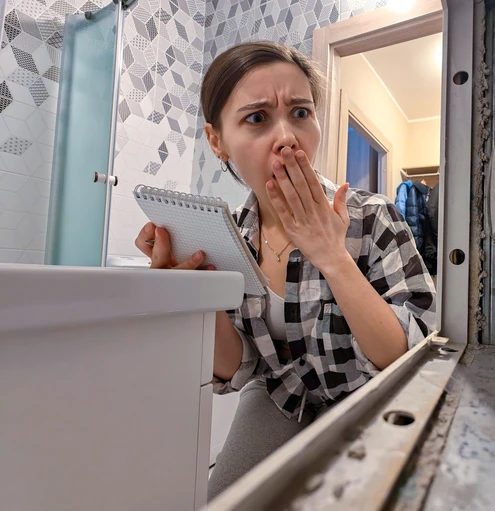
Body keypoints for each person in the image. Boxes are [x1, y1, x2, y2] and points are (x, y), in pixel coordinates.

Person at [133, 41, 437, 501]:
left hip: (367, 395)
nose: (288, 137)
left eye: (300, 112)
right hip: (279, 394)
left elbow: (408, 356)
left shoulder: (374, 216)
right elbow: (237, 367)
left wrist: (332, 256)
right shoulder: (230, 236)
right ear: (217, 141)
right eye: (257, 118)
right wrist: (194, 295)